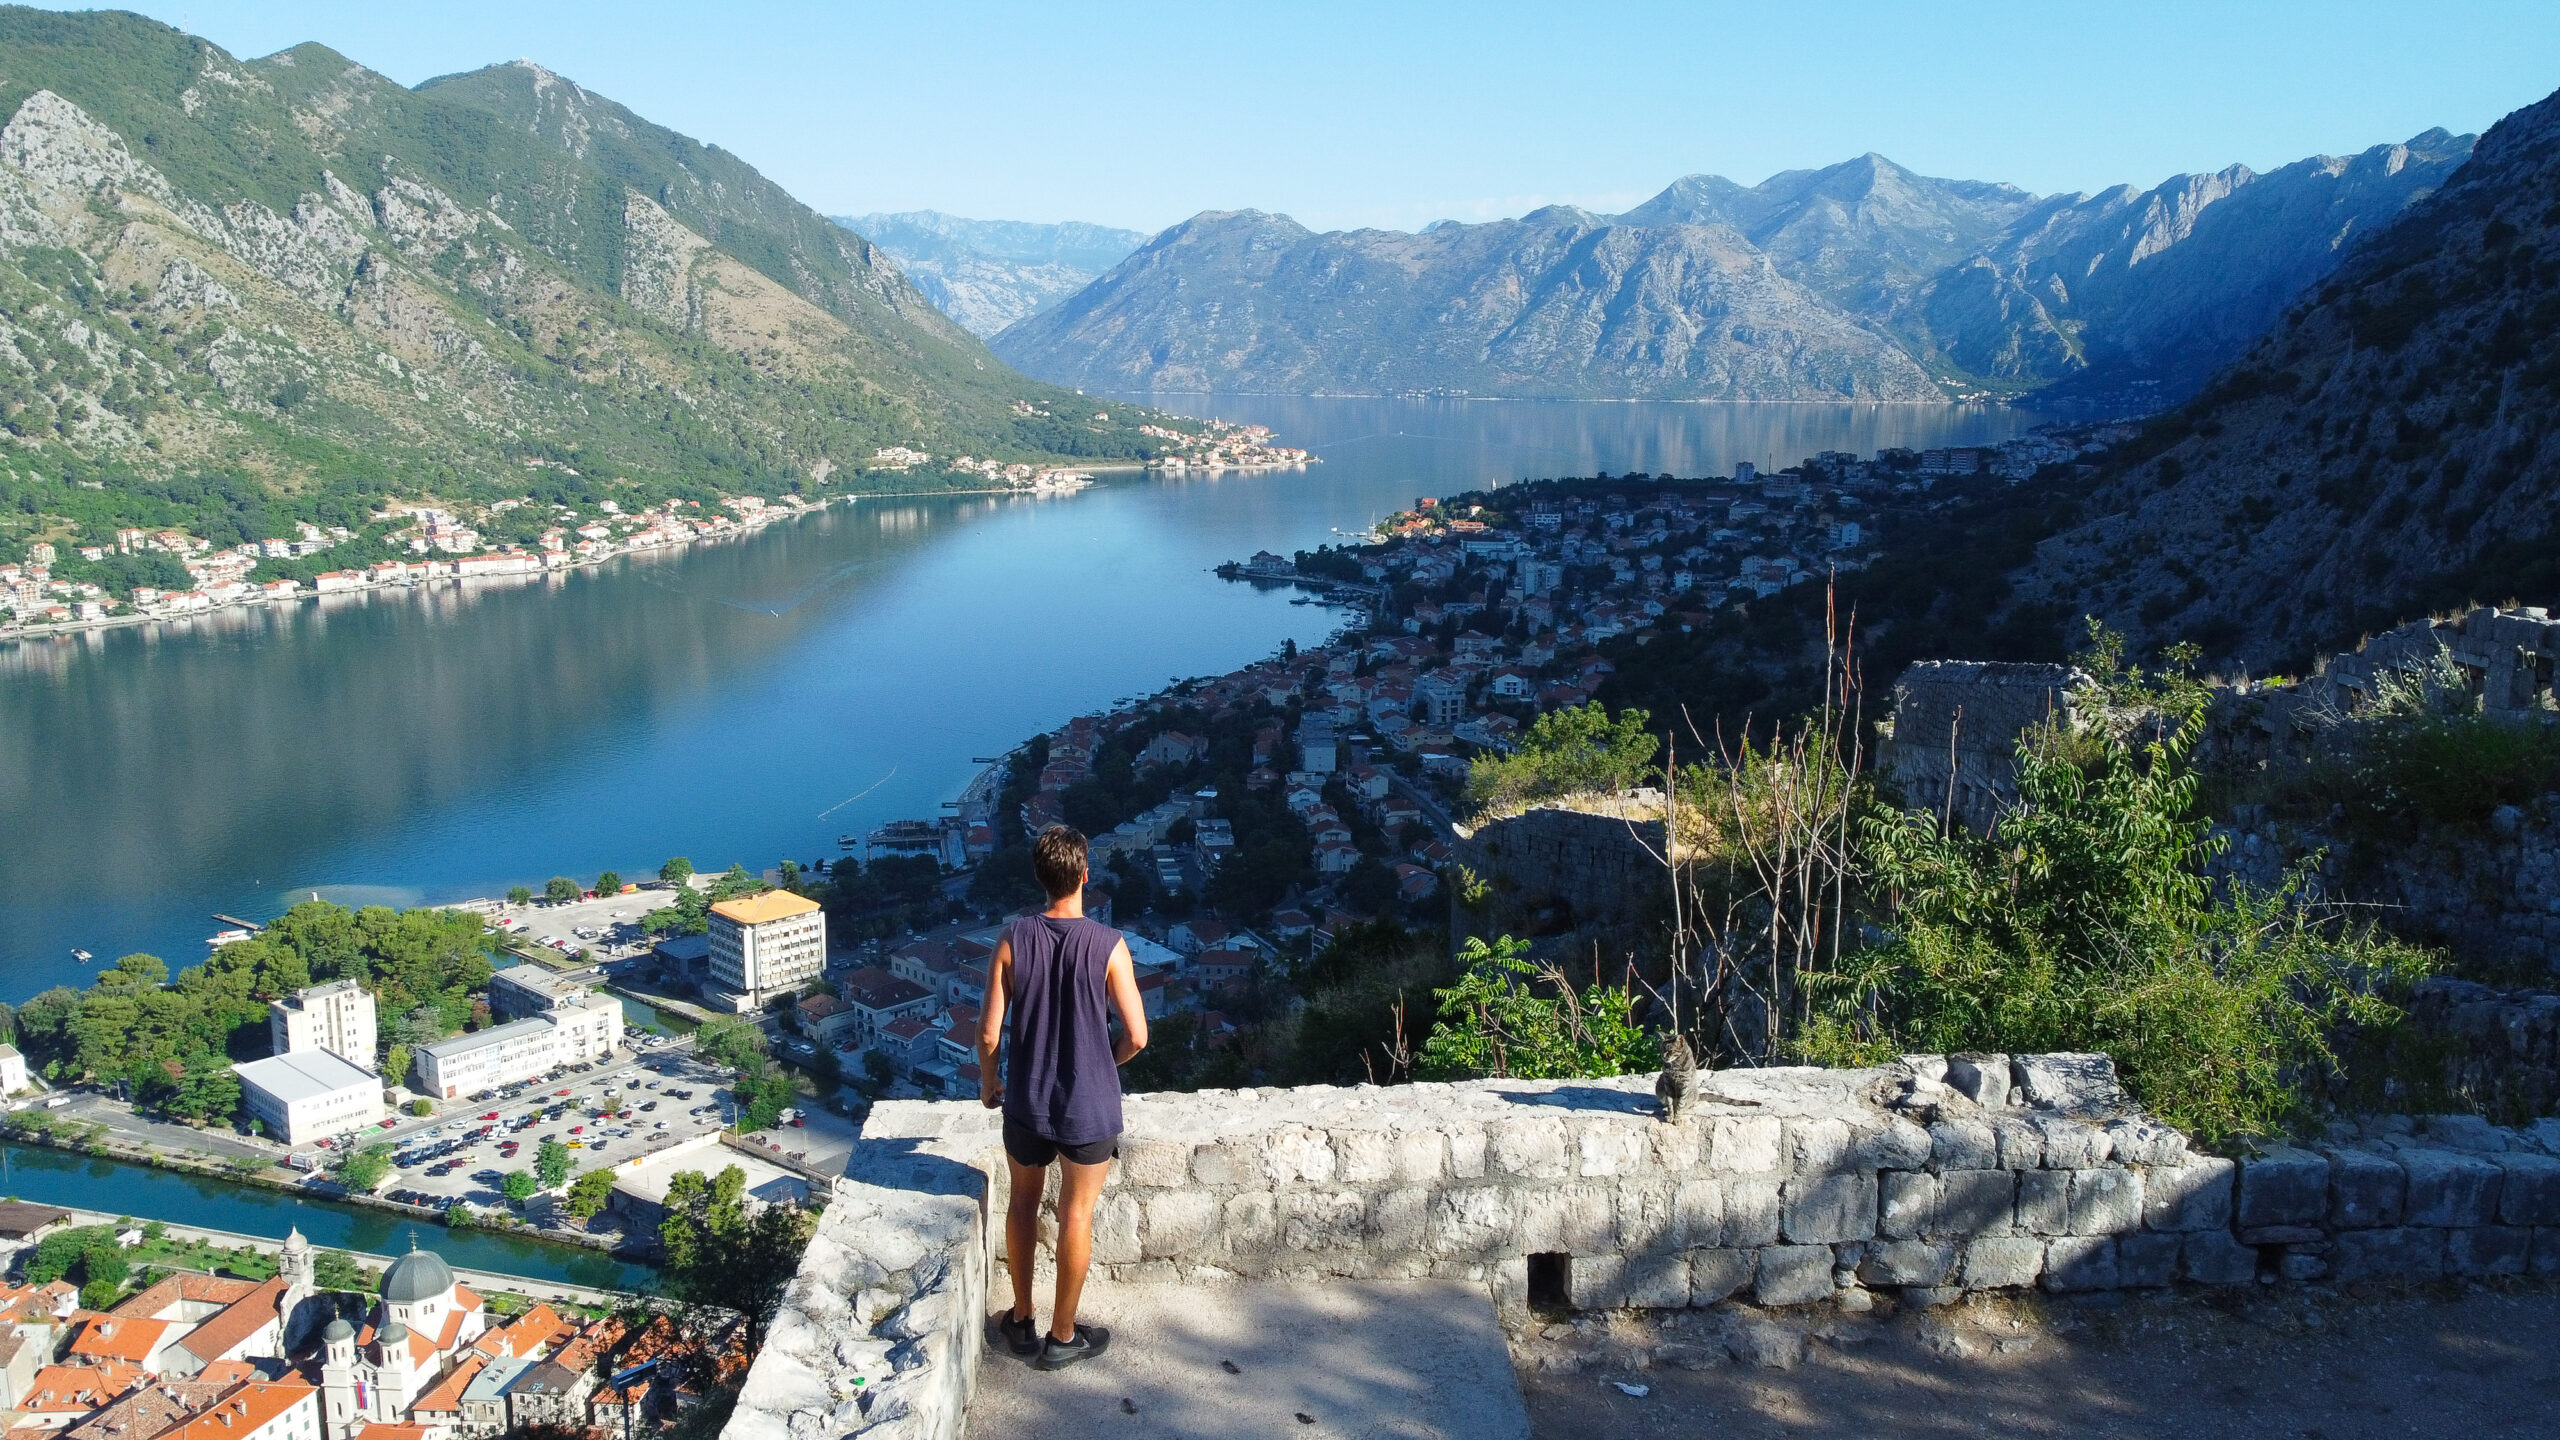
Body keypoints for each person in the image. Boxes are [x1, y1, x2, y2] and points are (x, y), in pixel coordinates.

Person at [978, 824, 1149, 1370]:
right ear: (1084, 876)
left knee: (1024, 1204)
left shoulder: (1011, 939)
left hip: (1026, 1099)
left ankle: (1022, 1320)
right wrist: (1106, 1062)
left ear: (1039, 878)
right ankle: (1063, 1336)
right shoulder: (1108, 944)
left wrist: (989, 1080)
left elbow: (987, 1035)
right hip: (1088, 1106)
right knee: (1077, 1215)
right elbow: (1138, 1035)